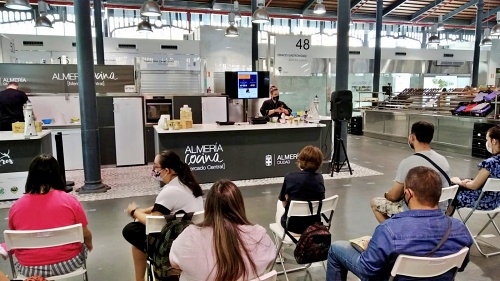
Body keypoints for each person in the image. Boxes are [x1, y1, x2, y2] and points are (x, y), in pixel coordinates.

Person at [326, 166, 473, 281]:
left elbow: (367, 270)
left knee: (336, 248)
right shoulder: (460, 229)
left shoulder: (389, 229)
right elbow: (461, 267)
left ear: (408, 194)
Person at [169, 179, 275, 281]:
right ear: (239, 205)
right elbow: (269, 262)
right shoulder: (260, 236)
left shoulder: (189, 236)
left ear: (209, 206)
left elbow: (174, 263)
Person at [122, 150, 204, 281]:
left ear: (167, 170)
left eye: (156, 167)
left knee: (131, 230)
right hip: (194, 235)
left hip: (174, 238)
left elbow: (154, 222)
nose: (154, 170)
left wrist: (134, 211)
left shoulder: (169, 191)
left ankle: (141, 277)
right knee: (138, 240)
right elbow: (164, 207)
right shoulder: (187, 184)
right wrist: (143, 211)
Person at [7, 154, 93, 278]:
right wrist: (89, 244)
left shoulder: (16, 206)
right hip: (68, 264)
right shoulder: (70, 201)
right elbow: (85, 234)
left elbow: (13, 240)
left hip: (29, 269)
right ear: (57, 175)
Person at [370, 121, 451, 223]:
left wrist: (386, 195)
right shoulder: (443, 160)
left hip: (415, 213)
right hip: (441, 211)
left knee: (374, 203)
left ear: (412, 137)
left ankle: (395, 233)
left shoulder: (407, 163)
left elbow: (394, 196)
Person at [449, 125, 500, 213]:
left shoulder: (490, 163)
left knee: (452, 189)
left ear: (494, 141)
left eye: (487, 140)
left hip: (482, 202)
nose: (487, 143)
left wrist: (460, 183)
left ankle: (446, 219)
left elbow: (474, 186)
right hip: (497, 202)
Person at [277, 145, 325, 233]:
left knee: (279, 203)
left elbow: (284, 204)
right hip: (314, 225)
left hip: (292, 226)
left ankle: (281, 241)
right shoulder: (320, 178)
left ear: (300, 161)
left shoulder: (289, 177)